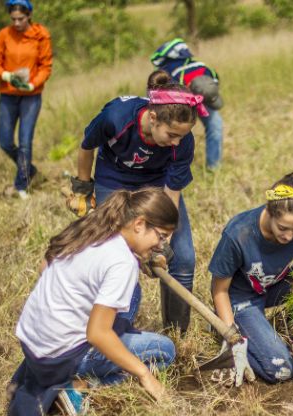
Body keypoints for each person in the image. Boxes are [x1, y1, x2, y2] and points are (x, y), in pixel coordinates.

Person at [6, 188, 178, 416]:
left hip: (33, 342)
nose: (161, 245)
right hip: (59, 357)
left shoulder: (94, 227)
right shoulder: (122, 263)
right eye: (160, 236)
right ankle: (75, 387)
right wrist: (144, 375)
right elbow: (97, 334)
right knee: (164, 350)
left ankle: (73, 369)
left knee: (133, 292)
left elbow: (44, 267)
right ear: (139, 224)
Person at [70, 75, 208, 335]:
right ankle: (114, 332)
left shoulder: (183, 142)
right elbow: (87, 146)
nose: (177, 142)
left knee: (183, 258)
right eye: (172, 134)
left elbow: (172, 194)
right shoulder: (117, 117)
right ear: (153, 119)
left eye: (183, 135)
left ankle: (176, 333)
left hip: (156, 183)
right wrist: (82, 187)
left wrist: (163, 240)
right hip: (114, 179)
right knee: (119, 256)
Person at [208, 172, 293, 385]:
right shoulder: (238, 234)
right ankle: (236, 328)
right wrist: (232, 338)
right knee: (281, 369)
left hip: (273, 284)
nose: (289, 236)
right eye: (283, 228)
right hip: (241, 299)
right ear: (269, 212)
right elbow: (219, 291)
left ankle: (288, 330)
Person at [0, 0, 52, 199]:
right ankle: (29, 169)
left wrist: (34, 84)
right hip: (8, 95)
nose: (16, 23)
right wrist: (6, 75)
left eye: (21, 19)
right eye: (13, 19)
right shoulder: (3, 35)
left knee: (25, 142)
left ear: (29, 16)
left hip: (31, 97)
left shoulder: (41, 35)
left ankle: (21, 185)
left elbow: (46, 66)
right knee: (5, 142)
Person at [150, 38, 224, 170]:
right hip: (178, 104)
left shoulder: (196, 67)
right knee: (177, 133)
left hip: (200, 102)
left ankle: (213, 167)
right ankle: (171, 166)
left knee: (214, 125)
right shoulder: (198, 67)